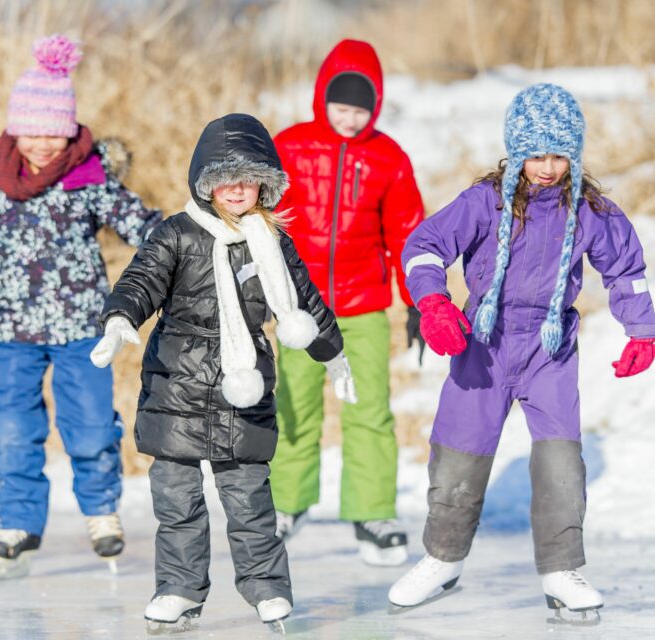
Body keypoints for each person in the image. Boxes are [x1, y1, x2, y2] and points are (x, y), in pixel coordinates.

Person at [0, 35, 162, 579]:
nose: (43, 144)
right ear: (15, 129)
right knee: (13, 429)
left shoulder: (89, 179)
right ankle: (17, 521)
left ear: (69, 130)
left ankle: (101, 511)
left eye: (54, 132)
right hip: (14, 333)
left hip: (82, 329)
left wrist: (189, 244)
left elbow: (144, 227)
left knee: (90, 425)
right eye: (32, 131)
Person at [390, 83, 655, 614]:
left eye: (559, 154)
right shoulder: (484, 202)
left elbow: (625, 270)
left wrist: (642, 330)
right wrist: (435, 304)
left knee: (561, 460)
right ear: (516, 150)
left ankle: (562, 570)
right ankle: (443, 558)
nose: (548, 167)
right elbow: (423, 247)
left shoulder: (591, 211)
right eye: (537, 154)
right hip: (483, 342)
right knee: (458, 456)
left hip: (549, 349)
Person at [90, 113, 355, 632]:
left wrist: (333, 353)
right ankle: (179, 591)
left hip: (245, 386)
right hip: (177, 387)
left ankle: (268, 591)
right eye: (224, 178)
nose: (237, 189)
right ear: (205, 182)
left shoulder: (273, 241)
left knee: (251, 502)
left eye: (248, 178)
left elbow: (303, 301)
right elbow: (142, 278)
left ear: (265, 183)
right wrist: (121, 315)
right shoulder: (177, 234)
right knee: (177, 503)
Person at [269, 39, 425, 566]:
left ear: (376, 105)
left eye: (362, 108)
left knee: (370, 411)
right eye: (341, 105)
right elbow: (260, 221)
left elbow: (407, 234)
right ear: (321, 97)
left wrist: (419, 301)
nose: (351, 118)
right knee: (294, 407)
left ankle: (373, 510)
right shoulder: (289, 147)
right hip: (299, 309)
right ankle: (285, 504)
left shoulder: (388, 157)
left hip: (363, 308)